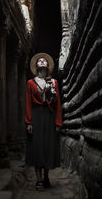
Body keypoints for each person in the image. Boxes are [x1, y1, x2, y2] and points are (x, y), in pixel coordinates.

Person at [25, 53, 62, 191]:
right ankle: (39, 180)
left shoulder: (53, 83)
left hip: (50, 116)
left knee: (48, 147)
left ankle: (46, 176)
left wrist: (58, 122)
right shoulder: (30, 83)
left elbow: (58, 104)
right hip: (36, 116)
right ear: (36, 66)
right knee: (37, 147)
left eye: (44, 60)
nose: (41, 61)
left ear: (47, 66)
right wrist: (29, 122)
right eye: (39, 61)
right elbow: (28, 103)